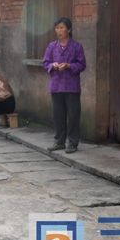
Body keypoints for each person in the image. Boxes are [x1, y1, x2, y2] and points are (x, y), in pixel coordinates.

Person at [43, 17, 86, 154]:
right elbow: (46, 62)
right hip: (56, 86)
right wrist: (53, 65)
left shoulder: (77, 46)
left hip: (72, 86)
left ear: (69, 29)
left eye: (62, 28)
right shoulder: (51, 46)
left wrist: (69, 66)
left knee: (73, 115)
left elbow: (82, 65)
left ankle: (73, 143)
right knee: (58, 115)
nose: (59, 31)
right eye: (57, 28)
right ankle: (59, 141)